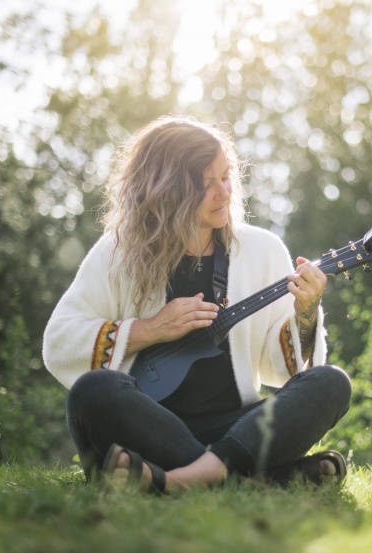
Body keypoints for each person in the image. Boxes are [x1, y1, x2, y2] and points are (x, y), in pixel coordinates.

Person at [43, 114, 351, 493]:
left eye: (226, 177)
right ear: (167, 190)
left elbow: (281, 369)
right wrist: (148, 330)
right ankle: (254, 478)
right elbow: (58, 342)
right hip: (150, 428)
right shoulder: (118, 253)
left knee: (330, 383)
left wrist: (305, 313)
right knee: (92, 392)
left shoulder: (263, 250)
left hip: (239, 428)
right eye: (207, 184)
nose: (224, 193)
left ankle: (175, 481)